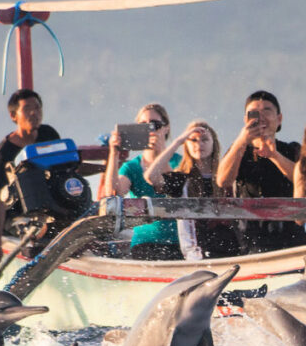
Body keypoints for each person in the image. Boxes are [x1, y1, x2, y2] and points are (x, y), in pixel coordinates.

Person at [216, 90, 306, 254]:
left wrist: (274, 156)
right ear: (246, 120)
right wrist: (241, 141)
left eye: (267, 110)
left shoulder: (292, 150)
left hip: (291, 237)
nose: (261, 117)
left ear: (279, 119)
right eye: (254, 113)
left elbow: (304, 181)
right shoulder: (238, 151)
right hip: (252, 240)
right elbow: (223, 181)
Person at [0, 88, 61, 270]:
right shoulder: (6, 151)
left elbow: (66, 167)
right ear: (13, 115)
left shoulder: (48, 135)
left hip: (49, 207)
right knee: (33, 228)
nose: (34, 113)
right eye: (27, 109)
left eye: (38, 108)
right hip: (19, 215)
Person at [98, 103, 183, 260]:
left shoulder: (180, 163)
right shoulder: (132, 167)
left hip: (179, 241)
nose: (150, 130)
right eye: (143, 126)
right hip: (145, 242)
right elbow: (113, 193)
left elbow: (175, 188)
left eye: (155, 125)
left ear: (166, 128)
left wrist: (161, 153)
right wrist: (114, 153)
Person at [144, 120, 240, 260]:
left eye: (205, 139)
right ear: (186, 146)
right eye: (193, 140)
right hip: (196, 254)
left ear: (214, 144)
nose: (199, 144)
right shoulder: (182, 179)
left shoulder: (225, 177)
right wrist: (178, 141)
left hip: (231, 250)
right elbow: (151, 176)